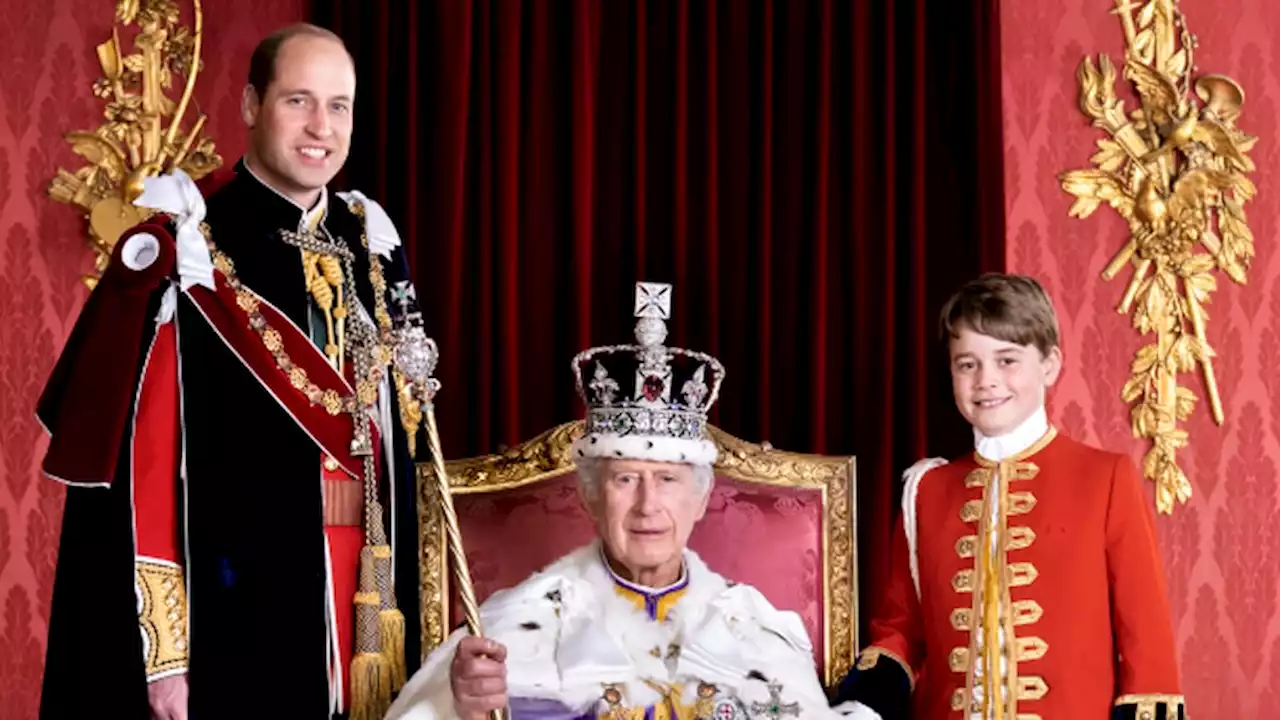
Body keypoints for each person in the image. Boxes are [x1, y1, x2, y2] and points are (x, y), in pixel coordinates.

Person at [37, 23, 429, 720]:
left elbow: (410, 451)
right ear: (251, 104)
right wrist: (165, 658)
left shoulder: (373, 244)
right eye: (298, 101)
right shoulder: (185, 244)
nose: (321, 128)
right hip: (237, 615)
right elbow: (147, 466)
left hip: (370, 611)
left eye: (339, 106)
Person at [386, 281, 843, 720]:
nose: (648, 505)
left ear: (701, 500)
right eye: (625, 479)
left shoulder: (757, 635)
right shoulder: (513, 631)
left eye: (667, 479)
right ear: (589, 497)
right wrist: (465, 711)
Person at [833, 273, 1184, 719]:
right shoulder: (927, 490)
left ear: (1050, 365)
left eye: (1007, 360)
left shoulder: (1105, 477)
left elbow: (1146, 639)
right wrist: (865, 703)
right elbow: (902, 628)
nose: (986, 380)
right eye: (967, 364)